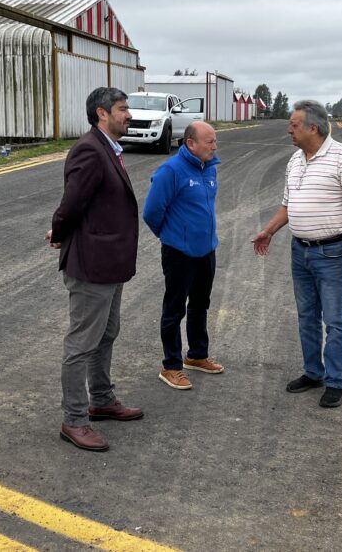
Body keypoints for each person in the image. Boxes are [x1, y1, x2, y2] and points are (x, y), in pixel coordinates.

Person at [251, 100, 342, 408]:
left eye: (293, 125)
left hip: (332, 252)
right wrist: (269, 231)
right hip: (300, 250)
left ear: (312, 128)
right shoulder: (295, 160)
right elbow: (288, 206)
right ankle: (313, 372)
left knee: (333, 319)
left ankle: (335, 381)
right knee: (307, 317)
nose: (289, 130)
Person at [46, 87, 144, 451]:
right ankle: (74, 419)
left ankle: (101, 398)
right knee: (82, 343)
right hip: (91, 267)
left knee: (107, 334)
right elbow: (71, 203)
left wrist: (62, 231)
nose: (129, 114)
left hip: (111, 264)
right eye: (123, 109)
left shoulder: (109, 148)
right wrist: (59, 233)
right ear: (102, 113)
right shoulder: (90, 149)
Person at [143, 121, 224, 391]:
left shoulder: (209, 167)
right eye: (210, 141)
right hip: (179, 253)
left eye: (215, 140)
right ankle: (171, 366)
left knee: (200, 304)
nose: (215, 145)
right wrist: (174, 237)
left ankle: (197, 355)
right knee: (175, 308)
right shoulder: (171, 171)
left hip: (206, 250)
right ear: (191, 143)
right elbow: (152, 212)